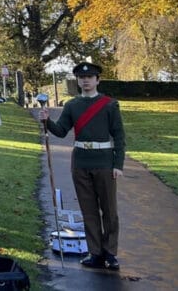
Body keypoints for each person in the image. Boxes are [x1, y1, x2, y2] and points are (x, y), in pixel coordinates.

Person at [39, 61, 125, 270]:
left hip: (104, 162)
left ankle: (110, 253)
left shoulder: (109, 104)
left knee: (109, 210)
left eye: (89, 77)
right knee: (89, 210)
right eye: (81, 78)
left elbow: (119, 136)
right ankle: (95, 252)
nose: (85, 80)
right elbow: (60, 131)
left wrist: (118, 164)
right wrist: (47, 121)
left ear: (97, 80)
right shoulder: (72, 105)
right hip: (80, 162)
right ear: (77, 80)